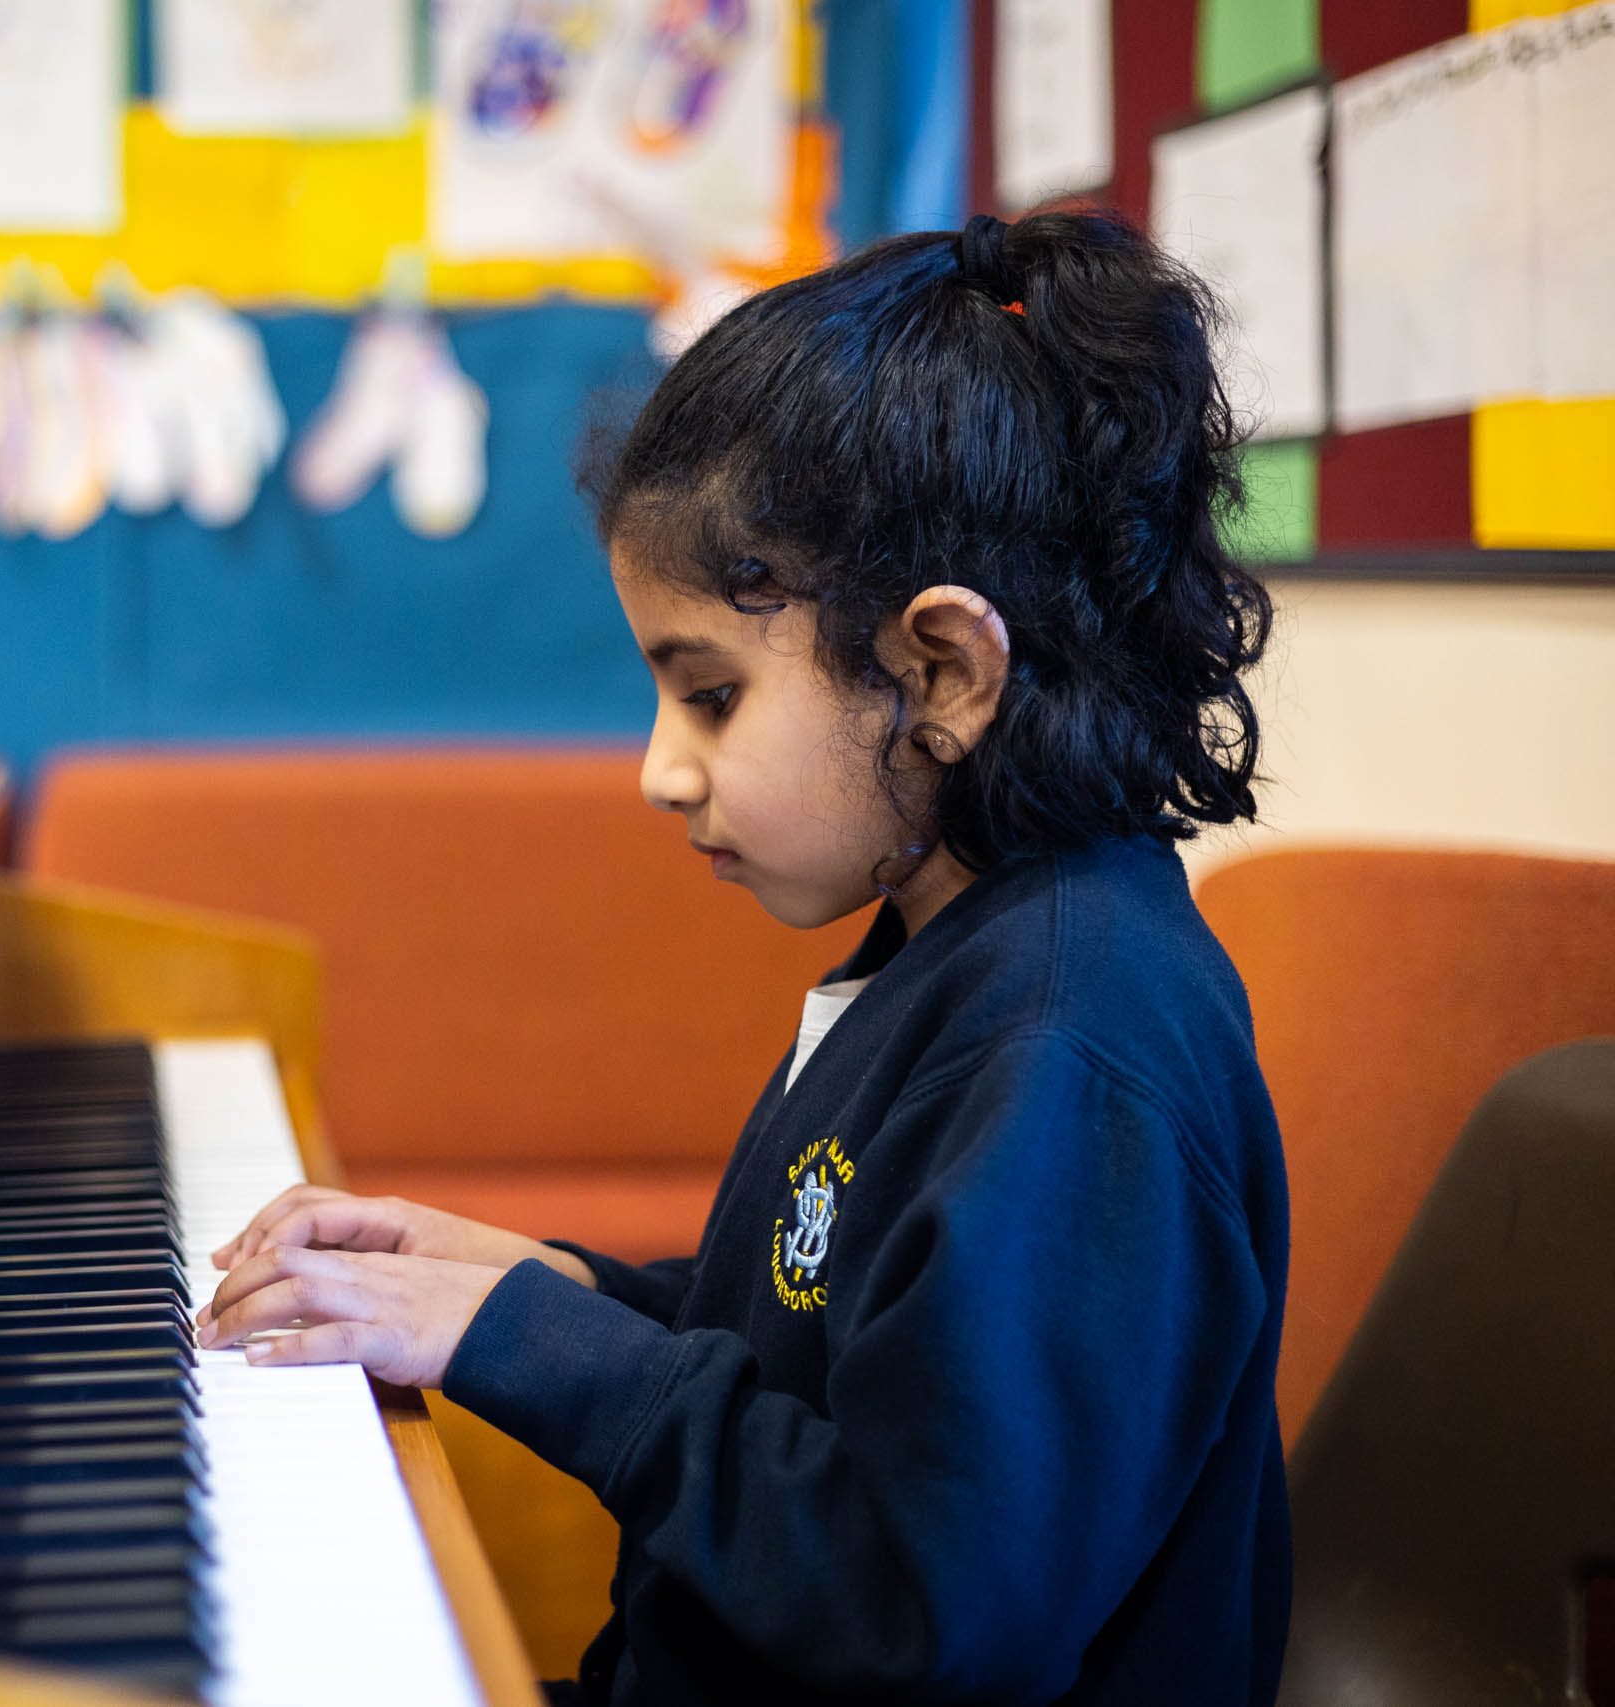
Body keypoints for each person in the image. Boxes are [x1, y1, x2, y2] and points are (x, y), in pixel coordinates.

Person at [194, 209, 1291, 1706]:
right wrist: (542, 1284)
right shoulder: (949, 943)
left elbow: (927, 1604)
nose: (660, 770)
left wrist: (530, 1344)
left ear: (943, 673)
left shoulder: (1068, 1047)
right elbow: (824, 1358)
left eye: (710, 696)